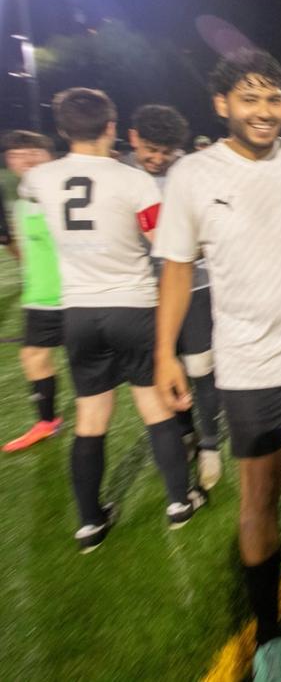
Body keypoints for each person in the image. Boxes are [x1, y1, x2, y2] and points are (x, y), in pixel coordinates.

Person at [153, 50, 281, 681]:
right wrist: (165, 352)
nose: (264, 111)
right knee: (256, 495)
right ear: (223, 105)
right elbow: (175, 269)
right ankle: (270, 634)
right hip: (244, 364)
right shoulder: (191, 173)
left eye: (273, 98)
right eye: (250, 98)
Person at [20, 88, 206, 552]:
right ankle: (179, 501)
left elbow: (35, 215)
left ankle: (89, 523)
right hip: (133, 303)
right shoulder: (132, 180)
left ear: (62, 130)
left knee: (90, 417)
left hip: (78, 310)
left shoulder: (39, 178)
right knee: (154, 408)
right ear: (111, 127)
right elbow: (164, 242)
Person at [126, 104, 224, 488]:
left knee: (201, 366)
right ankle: (184, 433)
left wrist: (193, 248)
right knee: (167, 368)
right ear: (133, 138)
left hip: (196, 284)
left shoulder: (194, 171)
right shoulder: (122, 175)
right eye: (151, 149)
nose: (158, 158)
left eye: (166, 151)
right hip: (146, 291)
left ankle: (211, 444)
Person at [2, 130, 63, 453]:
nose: (24, 158)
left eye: (33, 151)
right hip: (41, 296)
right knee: (33, 355)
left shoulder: (60, 192)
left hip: (77, 293)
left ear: (48, 155)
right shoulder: (23, 201)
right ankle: (47, 420)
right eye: (16, 154)